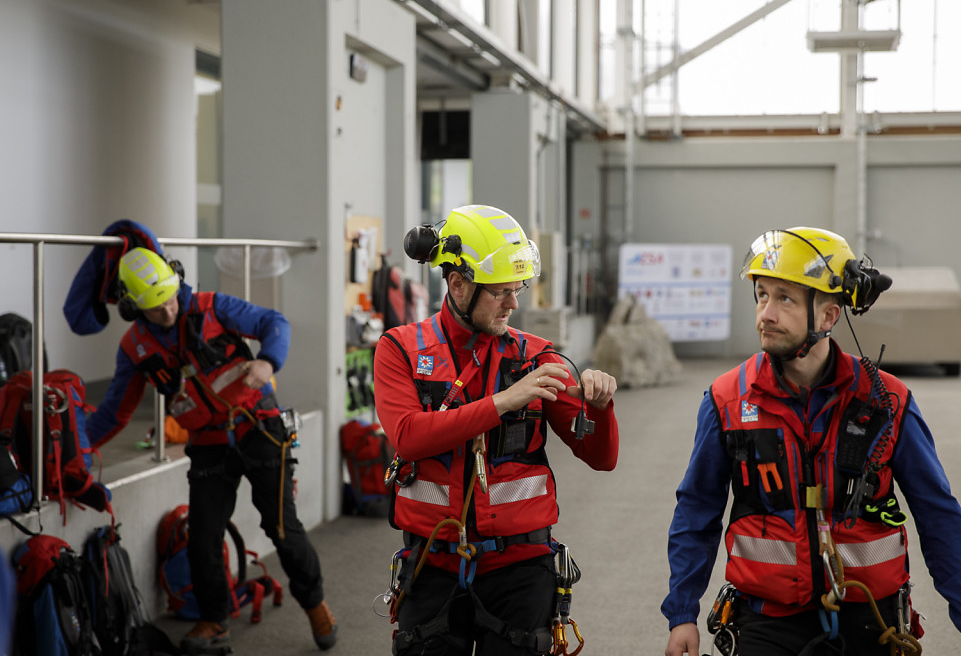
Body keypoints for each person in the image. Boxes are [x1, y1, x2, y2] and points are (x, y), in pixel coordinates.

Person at [662, 227, 961, 656]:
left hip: (873, 621)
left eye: (785, 298)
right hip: (767, 622)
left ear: (828, 316)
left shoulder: (888, 401)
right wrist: (682, 615)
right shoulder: (726, 400)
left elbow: (938, 514)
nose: (765, 313)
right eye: (762, 294)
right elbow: (697, 511)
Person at [374, 204, 620, 655]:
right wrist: (505, 401)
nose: (515, 303)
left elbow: (601, 458)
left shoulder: (538, 358)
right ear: (458, 284)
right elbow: (408, 436)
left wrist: (601, 410)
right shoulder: (399, 349)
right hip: (431, 564)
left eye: (518, 289)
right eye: (501, 292)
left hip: (521, 569)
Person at [86, 247, 337, 654]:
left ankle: (315, 605)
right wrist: (75, 449)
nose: (168, 313)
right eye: (155, 309)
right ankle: (214, 619)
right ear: (133, 308)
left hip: (259, 428)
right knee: (203, 537)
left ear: (177, 282)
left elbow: (273, 322)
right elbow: (113, 413)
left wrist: (268, 363)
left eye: (169, 300)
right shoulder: (135, 349)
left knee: (282, 529)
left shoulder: (213, 307)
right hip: (208, 443)